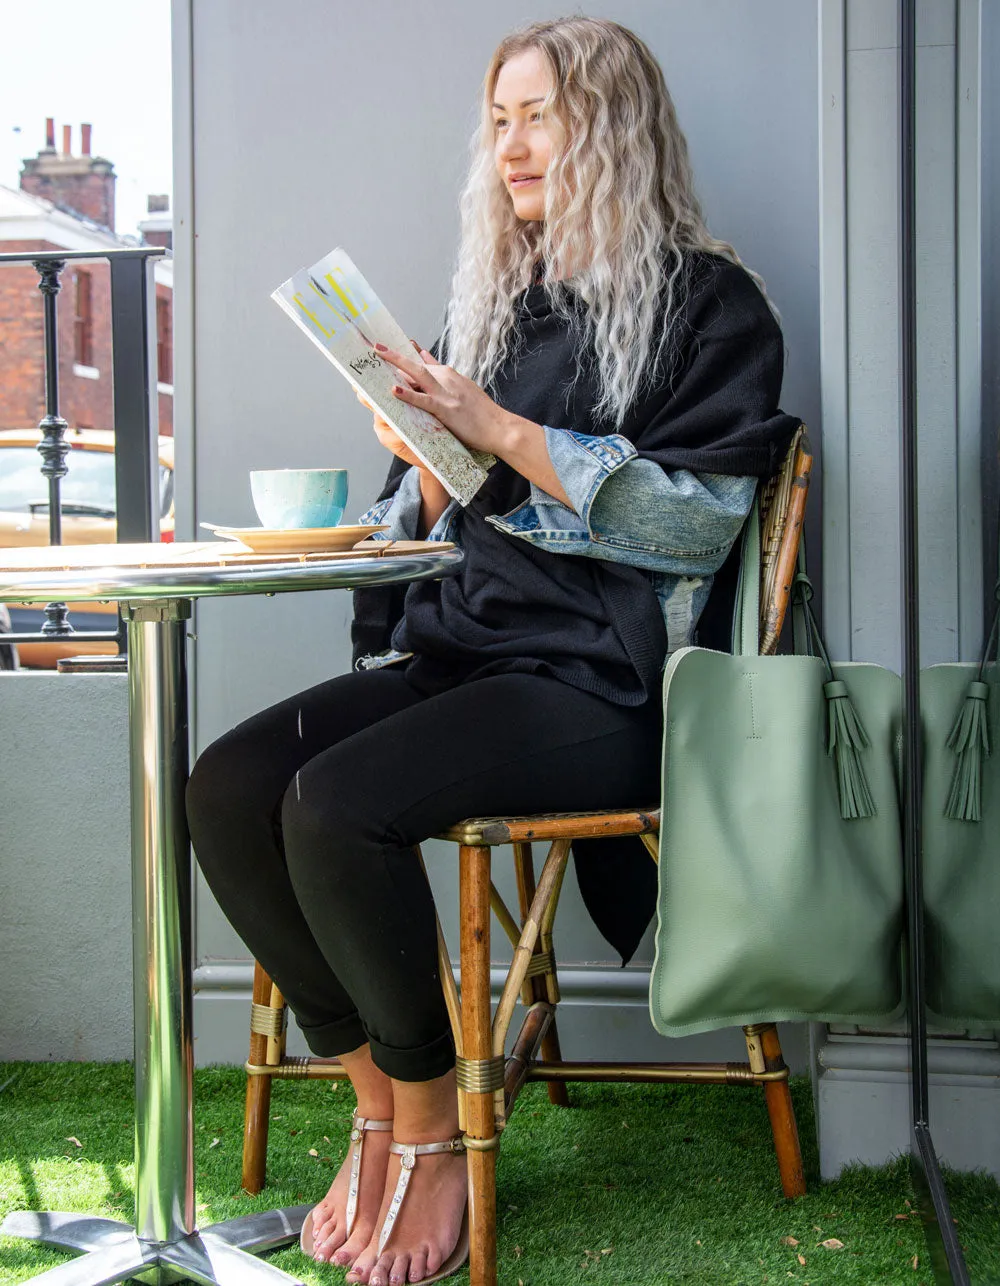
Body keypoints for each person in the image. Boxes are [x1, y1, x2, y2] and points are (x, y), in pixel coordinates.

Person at [186, 16, 799, 1286]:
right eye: (501, 119)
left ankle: (436, 1133)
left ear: (613, 132)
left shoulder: (712, 304)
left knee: (335, 805)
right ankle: (376, 1100)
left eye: (542, 115)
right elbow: (455, 513)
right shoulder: (503, 304)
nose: (512, 145)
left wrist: (498, 430)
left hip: (606, 677)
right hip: (473, 647)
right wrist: (418, 467)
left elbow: (690, 533)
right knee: (228, 786)